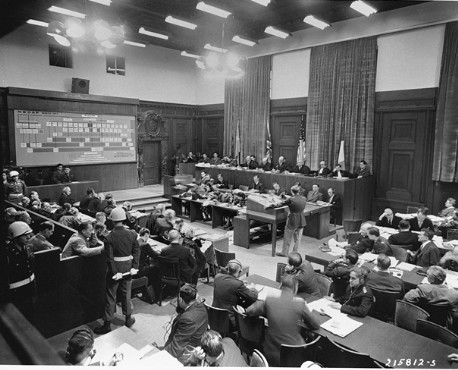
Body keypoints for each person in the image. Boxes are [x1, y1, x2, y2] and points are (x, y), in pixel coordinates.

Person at [246, 275, 320, 367]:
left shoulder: (270, 300)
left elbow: (249, 311)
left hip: (270, 353)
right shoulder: (299, 304)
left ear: (280, 286)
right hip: (294, 355)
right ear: (295, 288)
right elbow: (315, 325)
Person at [94, 208, 140, 334]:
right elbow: (136, 251)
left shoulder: (109, 237)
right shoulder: (132, 233)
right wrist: (134, 267)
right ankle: (128, 318)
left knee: (110, 296)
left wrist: (115, 272)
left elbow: (110, 258)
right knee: (126, 294)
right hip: (128, 267)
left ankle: (107, 323)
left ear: (113, 221)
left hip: (115, 270)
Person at [164, 284, 208, 364]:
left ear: (180, 299)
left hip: (186, 354)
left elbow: (176, 349)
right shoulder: (200, 305)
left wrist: (160, 354)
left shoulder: (188, 319)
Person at [212, 259, 258, 331]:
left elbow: (228, 285)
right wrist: (253, 288)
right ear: (240, 271)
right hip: (229, 320)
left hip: (214, 315)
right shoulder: (238, 284)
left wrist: (239, 282)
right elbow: (253, 297)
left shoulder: (217, 277)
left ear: (227, 268)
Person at [6, 221, 36, 321]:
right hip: (16, 293)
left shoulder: (29, 247)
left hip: (31, 287)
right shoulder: (7, 253)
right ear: (15, 237)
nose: (28, 237)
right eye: (24, 235)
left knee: (32, 314)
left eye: (28, 234)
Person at [273, 185, 307, 257]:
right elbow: (297, 201)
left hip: (292, 219)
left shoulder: (291, 199)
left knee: (287, 237)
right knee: (298, 238)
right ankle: (295, 252)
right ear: (299, 191)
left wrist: (271, 204)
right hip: (301, 219)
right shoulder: (304, 198)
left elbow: (279, 204)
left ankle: (285, 252)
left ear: (292, 191)